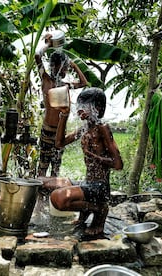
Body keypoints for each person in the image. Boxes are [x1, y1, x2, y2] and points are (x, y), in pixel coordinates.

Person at [40, 88, 123, 236]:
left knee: (57, 198)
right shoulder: (85, 128)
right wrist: (64, 114)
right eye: (79, 106)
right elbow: (59, 143)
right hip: (87, 183)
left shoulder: (103, 128)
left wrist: (94, 156)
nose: (79, 110)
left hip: (99, 187)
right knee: (40, 182)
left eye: (84, 106)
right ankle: (87, 210)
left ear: (97, 108)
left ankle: (99, 210)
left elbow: (118, 164)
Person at [35, 33, 88, 177]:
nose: (65, 70)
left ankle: (51, 197)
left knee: (56, 168)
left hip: (60, 132)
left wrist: (74, 64)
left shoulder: (65, 85)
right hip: (47, 131)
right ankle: (40, 195)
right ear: (55, 66)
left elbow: (83, 83)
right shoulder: (46, 80)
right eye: (64, 67)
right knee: (43, 166)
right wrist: (47, 44)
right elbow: (37, 56)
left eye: (66, 67)